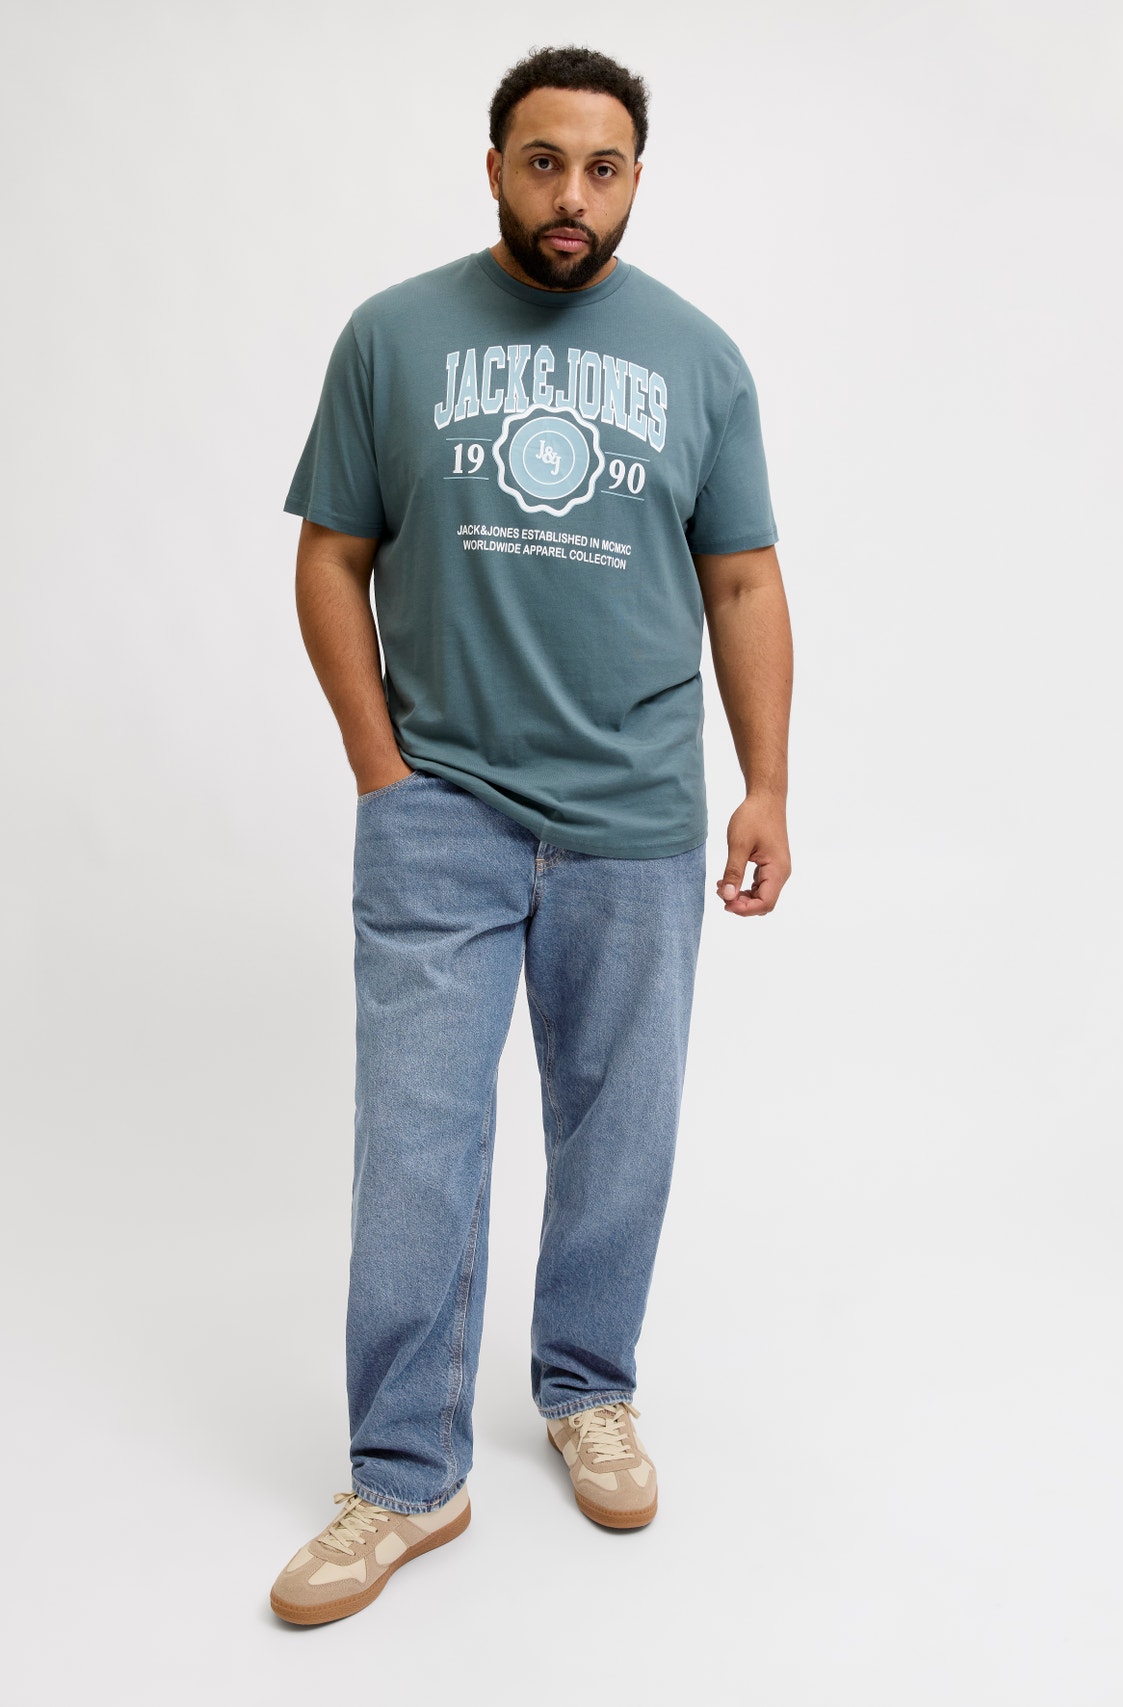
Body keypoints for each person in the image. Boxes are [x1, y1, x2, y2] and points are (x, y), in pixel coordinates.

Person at [270, 44, 793, 1626]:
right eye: (545, 161)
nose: (573, 194)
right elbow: (331, 555)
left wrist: (767, 784)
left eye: (603, 167)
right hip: (443, 808)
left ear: (637, 178)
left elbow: (744, 582)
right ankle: (404, 1477)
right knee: (416, 1146)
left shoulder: (699, 359)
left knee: (620, 1131)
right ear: (496, 165)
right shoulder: (395, 336)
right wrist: (383, 772)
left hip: (636, 817)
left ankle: (587, 1388)